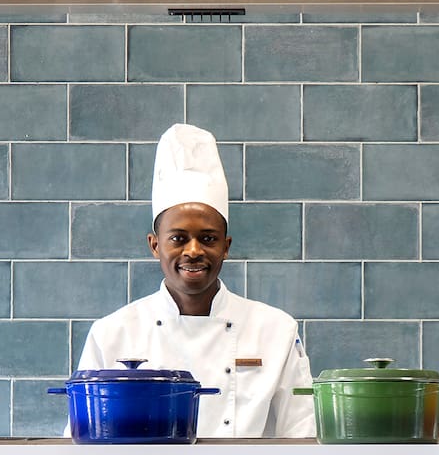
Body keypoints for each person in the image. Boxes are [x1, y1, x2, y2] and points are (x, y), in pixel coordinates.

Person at [76, 123, 315, 438]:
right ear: (155, 245)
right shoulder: (111, 333)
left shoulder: (276, 330)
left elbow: (302, 434)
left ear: (226, 247)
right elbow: (82, 442)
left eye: (208, 238)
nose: (193, 251)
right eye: (178, 238)